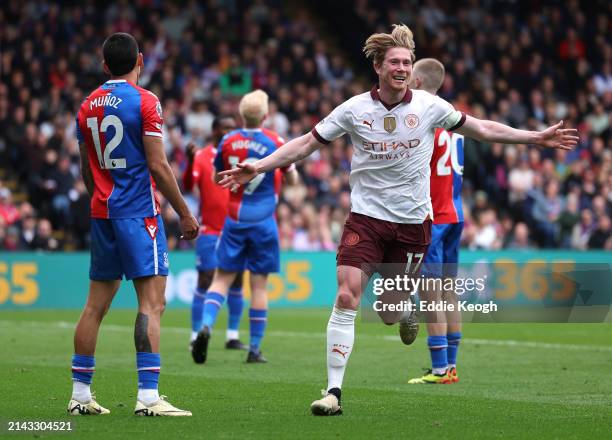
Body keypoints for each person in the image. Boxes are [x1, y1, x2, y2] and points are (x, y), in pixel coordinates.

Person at [218, 25, 577, 416]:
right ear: (378, 66)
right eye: (395, 62)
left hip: (411, 227)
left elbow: (482, 129)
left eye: (407, 62)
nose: (402, 68)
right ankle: (333, 392)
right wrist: (259, 167)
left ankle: (402, 308)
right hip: (366, 219)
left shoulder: (429, 106)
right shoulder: (353, 109)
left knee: (389, 311)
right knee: (346, 295)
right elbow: (305, 144)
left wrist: (534, 138)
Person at [70, 33, 198, 417]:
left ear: (104, 64)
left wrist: (102, 198)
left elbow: (85, 169)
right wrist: (185, 213)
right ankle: (148, 397)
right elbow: (158, 165)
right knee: (152, 304)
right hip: (139, 214)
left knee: (94, 306)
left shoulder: (86, 105)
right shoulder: (145, 101)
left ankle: (80, 395)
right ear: (140, 60)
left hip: (102, 212)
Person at [191, 89, 298, 364]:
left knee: (222, 279)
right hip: (264, 222)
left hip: (234, 220)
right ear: (265, 115)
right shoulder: (275, 140)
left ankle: (205, 325)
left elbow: (218, 178)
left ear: (241, 114)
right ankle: (254, 348)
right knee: (259, 287)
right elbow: (293, 181)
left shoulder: (227, 140)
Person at [402, 58, 465, 385]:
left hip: (434, 217)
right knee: (448, 292)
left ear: (419, 82)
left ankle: (439, 369)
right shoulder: (454, 121)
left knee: (431, 295)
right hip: (456, 214)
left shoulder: (426, 120)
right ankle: (451, 367)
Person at [183, 116, 249, 355]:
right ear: (215, 130)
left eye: (233, 128)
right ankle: (195, 335)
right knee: (206, 279)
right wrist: (190, 162)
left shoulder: (241, 158)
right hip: (209, 230)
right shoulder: (202, 156)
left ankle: (232, 335)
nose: (229, 131)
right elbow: (189, 186)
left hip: (235, 228)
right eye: (225, 127)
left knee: (238, 281)